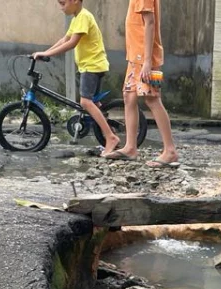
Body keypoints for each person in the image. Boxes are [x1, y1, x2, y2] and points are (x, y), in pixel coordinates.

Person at [33, 0, 120, 156]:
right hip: (93, 65)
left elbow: (72, 43)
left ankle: (110, 137)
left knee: (85, 102)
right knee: (94, 103)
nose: (61, 8)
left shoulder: (84, 17)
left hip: (92, 66)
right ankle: (110, 132)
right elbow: (64, 40)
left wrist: (47, 54)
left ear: (75, 1)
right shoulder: (77, 18)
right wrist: (44, 52)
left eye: (63, 3)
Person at [104, 0, 179, 168]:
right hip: (136, 57)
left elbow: (149, 22)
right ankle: (130, 147)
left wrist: (147, 61)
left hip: (144, 58)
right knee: (129, 96)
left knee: (152, 98)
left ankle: (170, 150)